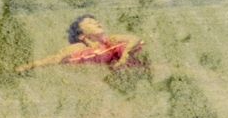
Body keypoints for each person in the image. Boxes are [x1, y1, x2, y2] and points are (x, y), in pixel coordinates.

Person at [16, 14, 146, 73]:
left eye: (96, 21)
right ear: (82, 35)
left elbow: (134, 38)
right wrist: (30, 66)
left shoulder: (112, 39)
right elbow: (56, 58)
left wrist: (125, 55)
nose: (97, 23)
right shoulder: (79, 48)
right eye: (90, 23)